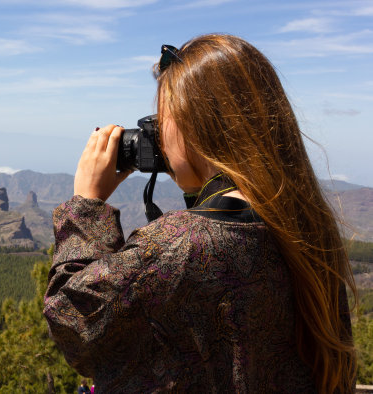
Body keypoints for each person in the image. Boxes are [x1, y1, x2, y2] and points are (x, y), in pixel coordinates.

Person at [43, 34, 355, 393]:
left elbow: (74, 322)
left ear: (197, 122)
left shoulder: (180, 245)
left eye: (163, 117)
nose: (158, 133)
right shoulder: (306, 228)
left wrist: (86, 205)